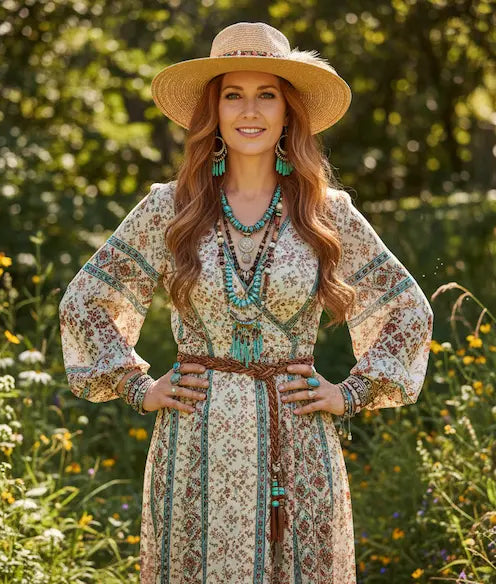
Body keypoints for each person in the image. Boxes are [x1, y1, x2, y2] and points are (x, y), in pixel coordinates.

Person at [59, 21, 434, 584]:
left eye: (267, 95)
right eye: (233, 95)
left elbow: (409, 311)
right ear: (214, 110)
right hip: (195, 443)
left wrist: (351, 392)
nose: (250, 111)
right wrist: (137, 385)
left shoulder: (325, 212)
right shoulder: (172, 207)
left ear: (288, 112)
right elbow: (85, 300)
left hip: (297, 445)